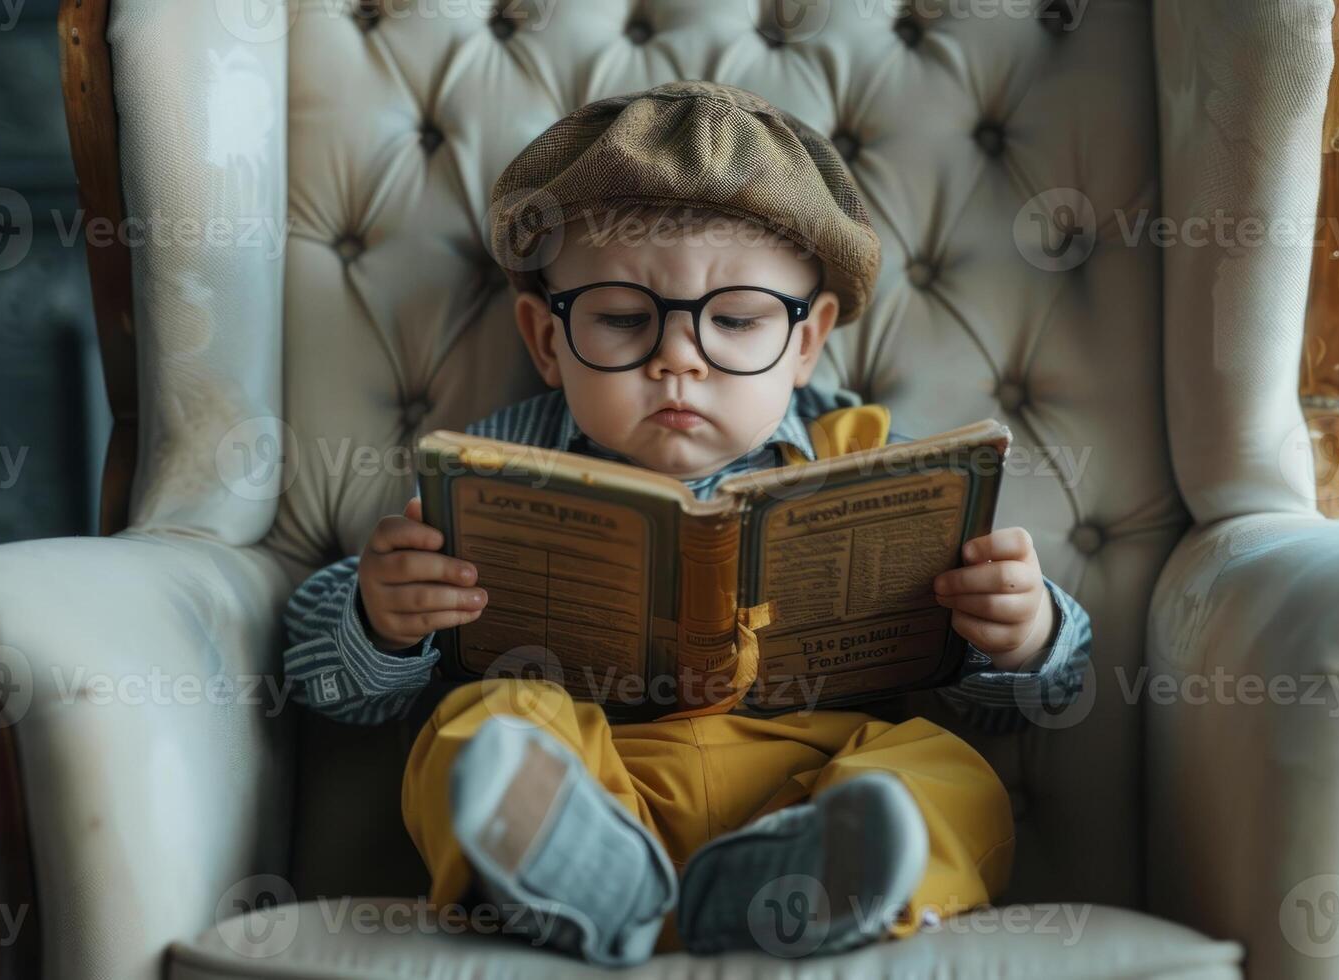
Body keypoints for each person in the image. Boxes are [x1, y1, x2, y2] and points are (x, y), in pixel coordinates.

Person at [282, 79, 1091, 967]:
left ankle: (803, 884)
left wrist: (1023, 634)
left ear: (807, 341)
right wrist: (376, 617)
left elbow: (1043, 704)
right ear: (547, 341)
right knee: (482, 725)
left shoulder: (865, 459)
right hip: (594, 777)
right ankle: (571, 873)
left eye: (737, 321)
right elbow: (328, 689)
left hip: (811, 780)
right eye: (625, 320)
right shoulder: (487, 473)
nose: (677, 359)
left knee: (943, 771)